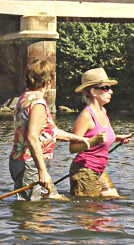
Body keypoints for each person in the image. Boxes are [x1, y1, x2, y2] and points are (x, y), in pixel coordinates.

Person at [9, 59, 90, 201]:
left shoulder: (24, 98)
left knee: (55, 199)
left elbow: (47, 132)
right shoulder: (38, 103)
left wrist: (75, 138)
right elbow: (33, 137)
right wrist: (43, 171)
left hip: (22, 161)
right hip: (31, 164)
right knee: (31, 211)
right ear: (48, 83)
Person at [68, 68, 133, 197]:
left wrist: (117, 138)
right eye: (105, 88)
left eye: (109, 88)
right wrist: (94, 141)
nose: (111, 92)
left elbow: (100, 136)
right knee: (90, 212)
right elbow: (73, 147)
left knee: (114, 202)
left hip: (100, 169)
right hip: (84, 171)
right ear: (93, 91)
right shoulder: (86, 116)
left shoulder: (103, 111)